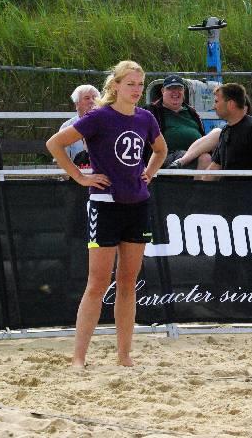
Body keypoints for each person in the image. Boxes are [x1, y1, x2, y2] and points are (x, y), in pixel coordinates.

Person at [45, 60, 167, 367]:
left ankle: (124, 355)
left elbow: (161, 150)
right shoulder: (99, 116)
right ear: (115, 85)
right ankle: (79, 358)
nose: (136, 89)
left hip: (137, 204)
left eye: (140, 84)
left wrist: (149, 172)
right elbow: (55, 143)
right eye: (130, 84)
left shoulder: (146, 117)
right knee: (97, 283)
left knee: (127, 283)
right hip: (105, 204)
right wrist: (80, 177)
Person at [204, 83, 252, 179]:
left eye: (216, 101)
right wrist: (199, 187)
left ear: (230, 104)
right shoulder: (225, 130)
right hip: (228, 187)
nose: (214, 106)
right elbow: (215, 165)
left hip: (249, 187)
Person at [146, 75, 209, 173]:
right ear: (163, 91)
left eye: (179, 88)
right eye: (170, 88)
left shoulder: (192, 113)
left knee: (217, 135)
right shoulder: (152, 111)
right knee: (202, 158)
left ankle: (197, 180)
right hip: (165, 157)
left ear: (183, 91)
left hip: (195, 154)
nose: (175, 92)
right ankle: (182, 162)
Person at [58, 84, 100, 164]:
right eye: (87, 98)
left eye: (94, 98)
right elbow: (60, 161)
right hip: (76, 170)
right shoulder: (66, 127)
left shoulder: (108, 123)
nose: (92, 101)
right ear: (77, 104)